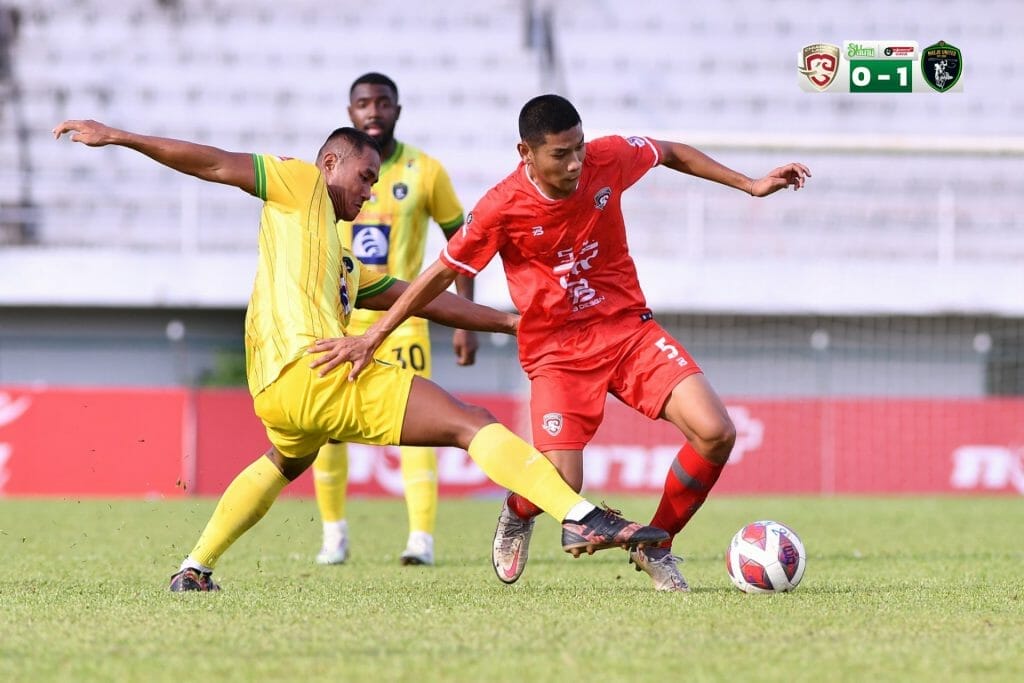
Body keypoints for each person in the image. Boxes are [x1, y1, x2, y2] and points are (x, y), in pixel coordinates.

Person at [52, 117, 669, 592]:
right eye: (364, 178)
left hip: (276, 392)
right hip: (314, 370)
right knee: (470, 422)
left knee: (283, 461)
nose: (369, 194)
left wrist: (513, 323)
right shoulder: (298, 183)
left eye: (375, 181)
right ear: (330, 163)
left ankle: (194, 567)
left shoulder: (340, 261)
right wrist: (121, 137)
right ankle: (580, 515)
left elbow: (415, 298)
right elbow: (214, 163)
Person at [314, 94, 811, 592]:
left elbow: (670, 152)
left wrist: (750, 185)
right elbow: (441, 273)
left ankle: (656, 546)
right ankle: (518, 509)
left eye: (579, 148)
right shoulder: (501, 206)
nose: (575, 163)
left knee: (716, 432)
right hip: (557, 351)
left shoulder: (608, 157)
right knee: (563, 483)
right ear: (526, 153)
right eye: (560, 154)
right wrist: (374, 335)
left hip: (627, 330)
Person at [312, 72, 477, 568]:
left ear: (397, 111)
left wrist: (465, 320)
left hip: (405, 320)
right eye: (363, 103)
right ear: (350, 113)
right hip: (339, 319)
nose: (373, 111)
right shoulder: (327, 171)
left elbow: (463, 243)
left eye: (383, 103)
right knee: (326, 428)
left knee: (417, 423)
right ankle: (334, 535)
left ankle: (420, 539)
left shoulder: (425, 170)